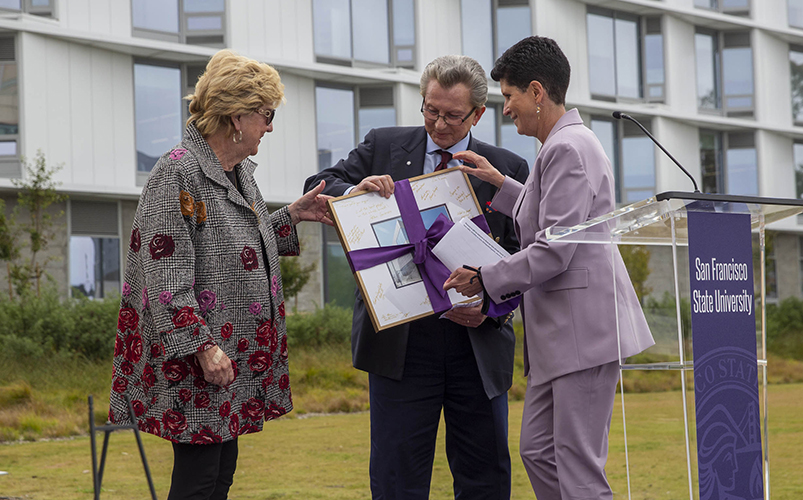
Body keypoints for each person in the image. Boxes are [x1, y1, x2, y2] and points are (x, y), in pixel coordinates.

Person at [108, 49, 332, 500]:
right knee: (199, 482)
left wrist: (292, 215)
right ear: (236, 117)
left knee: (219, 475)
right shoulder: (179, 173)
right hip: (198, 363)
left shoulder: (235, 174)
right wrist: (205, 349)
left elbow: (235, 243)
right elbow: (165, 275)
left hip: (229, 359)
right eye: (266, 115)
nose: (270, 126)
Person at [304, 55, 528, 500]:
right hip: (401, 345)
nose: (439, 123)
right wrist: (355, 191)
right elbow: (320, 184)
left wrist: (486, 304)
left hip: (476, 343)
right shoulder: (383, 145)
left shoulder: (508, 168)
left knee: (485, 477)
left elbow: (524, 257)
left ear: (478, 114)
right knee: (395, 478)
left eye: (452, 115)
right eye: (430, 110)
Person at [443, 36, 655, 500]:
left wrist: (484, 279)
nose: (505, 109)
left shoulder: (568, 149)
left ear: (536, 92)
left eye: (508, 97)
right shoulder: (560, 146)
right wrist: (500, 183)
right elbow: (558, 219)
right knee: (538, 451)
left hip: (583, 336)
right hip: (561, 341)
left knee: (577, 469)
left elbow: (555, 249)